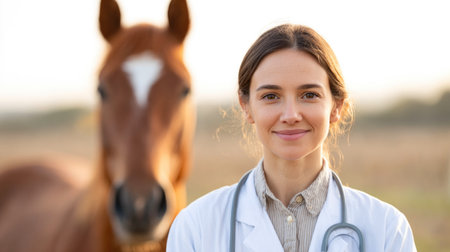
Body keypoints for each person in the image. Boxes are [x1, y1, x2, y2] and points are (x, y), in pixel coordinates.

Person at [167, 24, 417, 252]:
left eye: (309, 95)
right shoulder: (195, 227)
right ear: (246, 106)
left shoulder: (387, 229)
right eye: (271, 96)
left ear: (336, 106)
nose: (290, 115)